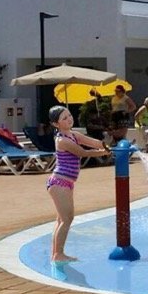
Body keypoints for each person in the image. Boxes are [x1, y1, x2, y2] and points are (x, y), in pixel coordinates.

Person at [45, 105, 109, 262]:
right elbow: (82, 152)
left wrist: (106, 145)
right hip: (59, 182)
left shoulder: (73, 134)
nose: (69, 119)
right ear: (56, 124)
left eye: (69, 115)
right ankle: (58, 254)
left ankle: (56, 253)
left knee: (62, 220)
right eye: (64, 118)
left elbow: (92, 142)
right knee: (67, 219)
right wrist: (103, 153)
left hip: (65, 183)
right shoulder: (62, 140)